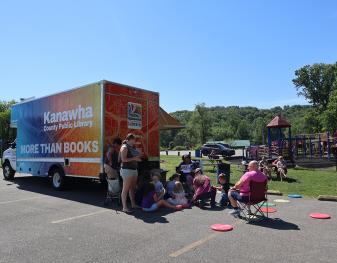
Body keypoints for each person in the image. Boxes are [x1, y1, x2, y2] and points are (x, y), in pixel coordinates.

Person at [119, 133, 142, 214]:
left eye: (135, 140)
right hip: (126, 170)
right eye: (133, 139)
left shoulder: (132, 147)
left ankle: (133, 204)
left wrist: (138, 157)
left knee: (132, 188)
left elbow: (137, 156)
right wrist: (134, 158)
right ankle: (124, 207)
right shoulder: (124, 147)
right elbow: (123, 159)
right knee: (125, 189)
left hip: (134, 169)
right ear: (129, 139)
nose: (134, 141)